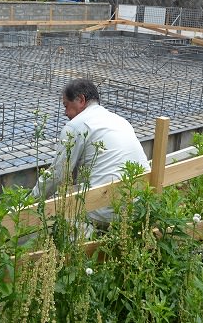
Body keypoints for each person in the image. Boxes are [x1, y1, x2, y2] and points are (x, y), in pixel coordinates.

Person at [31, 78, 149, 227]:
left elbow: (57, 175)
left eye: (66, 106)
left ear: (81, 100)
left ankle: (83, 241)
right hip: (140, 205)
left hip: (107, 211)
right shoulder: (120, 120)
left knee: (61, 204)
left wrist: (28, 202)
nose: (65, 113)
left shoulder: (76, 126)